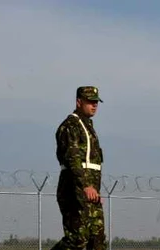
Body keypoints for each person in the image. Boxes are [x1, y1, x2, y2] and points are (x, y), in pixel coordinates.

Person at [51, 86, 106, 250]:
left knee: (97, 240)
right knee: (77, 239)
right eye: (90, 101)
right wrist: (85, 186)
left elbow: (91, 165)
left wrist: (94, 191)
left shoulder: (88, 127)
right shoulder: (71, 126)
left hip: (90, 193)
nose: (94, 105)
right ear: (78, 102)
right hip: (74, 190)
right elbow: (73, 159)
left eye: (96, 102)